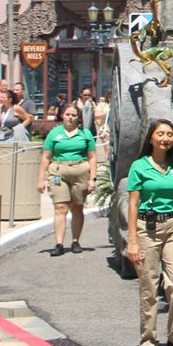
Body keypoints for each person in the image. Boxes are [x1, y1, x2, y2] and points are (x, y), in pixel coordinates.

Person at [127, 119, 173, 346]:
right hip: (147, 229)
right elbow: (133, 205)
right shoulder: (139, 167)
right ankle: (148, 342)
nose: (166, 138)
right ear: (151, 138)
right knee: (149, 287)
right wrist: (133, 240)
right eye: (161, 134)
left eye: (170, 134)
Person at [36, 103, 97, 256]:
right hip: (58, 172)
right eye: (68, 114)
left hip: (80, 171)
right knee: (60, 207)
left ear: (78, 117)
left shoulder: (85, 133)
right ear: (62, 115)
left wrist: (92, 179)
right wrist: (41, 179)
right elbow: (45, 157)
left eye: (74, 115)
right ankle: (59, 243)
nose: (70, 118)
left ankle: (75, 240)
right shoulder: (54, 133)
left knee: (77, 207)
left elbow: (92, 157)